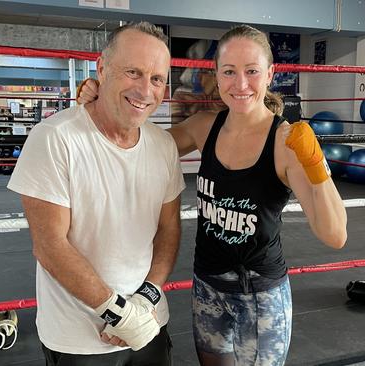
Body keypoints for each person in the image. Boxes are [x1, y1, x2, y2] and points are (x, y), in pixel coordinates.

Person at [78, 24, 347, 366]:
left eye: (251, 71)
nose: (241, 84)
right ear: (217, 76)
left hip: (260, 295)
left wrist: (316, 164)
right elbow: (137, 145)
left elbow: (335, 234)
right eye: (229, 72)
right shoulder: (205, 126)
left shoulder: (285, 142)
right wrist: (102, 103)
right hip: (207, 286)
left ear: (270, 74)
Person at [8, 22, 185, 366]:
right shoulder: (55, 138)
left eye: (157, 78)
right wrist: (119, 314)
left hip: (148, 324)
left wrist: (144, 302)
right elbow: (50, 245)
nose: (145, 90)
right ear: (102, 69)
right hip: (79, 339)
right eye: (133, 72)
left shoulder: (163, 144)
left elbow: (168, 229)